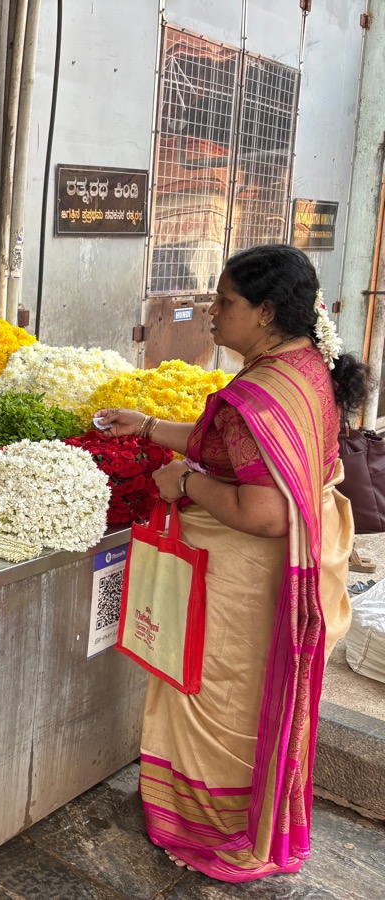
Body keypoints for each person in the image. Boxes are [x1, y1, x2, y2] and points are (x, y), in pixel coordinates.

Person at [95, 243, 372, 881]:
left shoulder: (266, 387)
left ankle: (211, 827)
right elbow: (228, 447)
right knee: (243, 698)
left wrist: (182, 487)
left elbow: (265, 511)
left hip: (245, 576)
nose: (212, 313)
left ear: (267, 312)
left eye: (224, 302)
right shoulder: (302, 367)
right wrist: (145, 426)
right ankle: (246, 815)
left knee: (217, 692)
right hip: (281, 569)